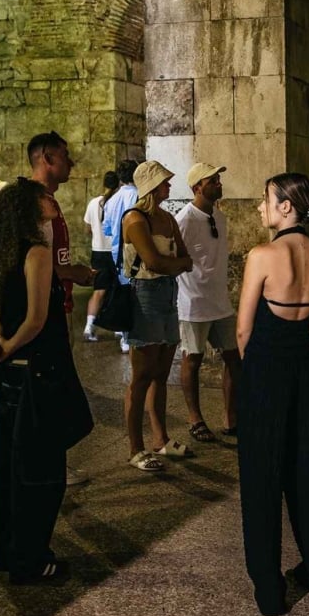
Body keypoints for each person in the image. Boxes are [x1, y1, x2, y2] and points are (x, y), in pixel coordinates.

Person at [235, 172, 309, 616]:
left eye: (265, 200)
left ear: (285, 207)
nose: (260, 208)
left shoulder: (262, 255)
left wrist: (254, 370)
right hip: (302, 367)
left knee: (262, 476)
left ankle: (269, 590)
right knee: (307, 467)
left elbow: (243, 330)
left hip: (264, 370)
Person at [0, 179, 90, 584]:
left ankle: (9, 553)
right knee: (41, 473)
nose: (52, 202)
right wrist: (8, 346)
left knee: (8, 466)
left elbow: (1, 312)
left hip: (9, 375)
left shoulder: (0, 253)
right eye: (45, 198)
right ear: (30, 207)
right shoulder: (37, 254)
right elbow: (37, 320)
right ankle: (32, 560)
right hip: (37, 371)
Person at [26, 131, 98, 487]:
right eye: (65, 156)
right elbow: (34, 263)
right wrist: (74, 272)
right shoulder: (34, 204)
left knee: (57, 390)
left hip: (61, 302)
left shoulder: (49, 201)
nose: (72, 163)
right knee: (49, 390)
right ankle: (47, 466)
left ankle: (54, 463)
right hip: (48, 308)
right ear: (46, 159)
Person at [121, 160, 193, 472]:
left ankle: (160, 439)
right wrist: (173, 263)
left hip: (167, 294)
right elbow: (153, 261)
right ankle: (135, 448)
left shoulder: (166, 217)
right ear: (150, 186)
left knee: (162, 372)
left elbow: (185, 259)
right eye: (164, 182)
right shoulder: (135, 218)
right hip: (145, 296)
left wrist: (172, 263)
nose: (169, 186)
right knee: (141, 375)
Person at [176, 163, 240, 443]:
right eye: (212, 180)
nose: (218, 183)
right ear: (196, 188)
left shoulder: (219, 217)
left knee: (234, 358)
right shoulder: (184, 220)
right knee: (193, 359)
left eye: (218, 179)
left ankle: (231, 417)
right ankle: (195, 418)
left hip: (220, 301)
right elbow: (176, 259)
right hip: (194, 302)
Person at [101, 159, 140, 351]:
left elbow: (106, 229)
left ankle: (124, 336)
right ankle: (134, 335)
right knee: (136, 296)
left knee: (123, 292)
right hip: (135, 252)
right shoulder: (138, 195)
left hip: (117, 253)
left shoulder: (112, 199)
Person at [82, 170, 120, 341]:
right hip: (115, 251)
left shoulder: (93, 203)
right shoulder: (118, 202)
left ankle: (89, 327)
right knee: (119, 290)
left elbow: (88, 228)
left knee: (99, 291)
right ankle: (120, 328)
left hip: (98, 251)